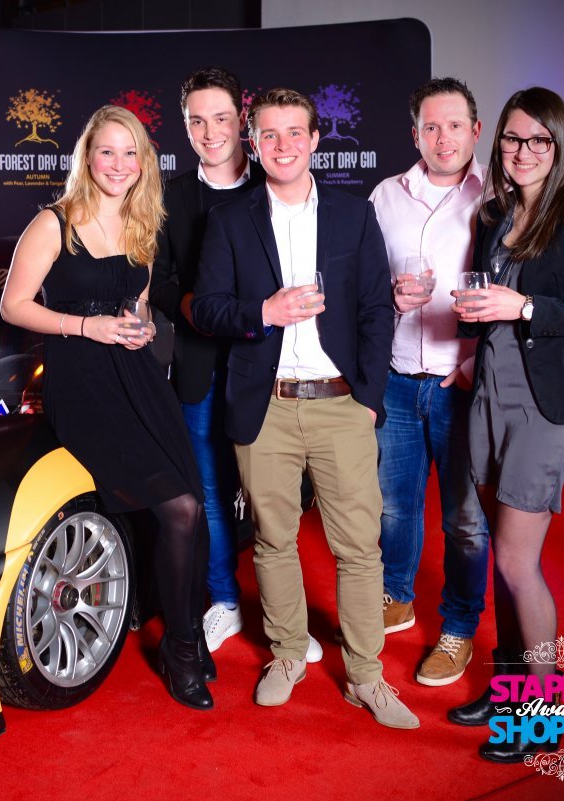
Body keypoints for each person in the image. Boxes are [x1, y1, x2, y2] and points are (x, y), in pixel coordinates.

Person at [192, 88, 417, 728]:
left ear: (316, 140)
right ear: (254, 143)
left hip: (340, 402)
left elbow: (375, 310)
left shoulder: (353, 214)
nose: (283, 145)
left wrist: (367, 399)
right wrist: (262, 312)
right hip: (264, 406)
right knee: (272, 539)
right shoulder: (230, 220)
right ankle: (288, 654)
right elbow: (206, 307)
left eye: (295, 132)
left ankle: (366, 676)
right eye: (269, 134)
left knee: (359, 547)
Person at [1, 105, 213, 711]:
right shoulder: (54, 223)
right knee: (179, 508)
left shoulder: (143, 220)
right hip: (82, 381)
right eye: (107, 152)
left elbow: (137, 302)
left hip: (137, 375)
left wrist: (140, 326)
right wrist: (86, 327)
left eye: (130, 153)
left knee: (194, 505)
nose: (119, 164)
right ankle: (180, 650)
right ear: (87, 158)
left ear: (143, 161)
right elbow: (14, 305)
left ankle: (188, 632)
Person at [445, 87, 564, 761]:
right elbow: (488, 303)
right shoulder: (495, 214)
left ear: (559, 145)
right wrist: (473, 321)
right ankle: (510, 692)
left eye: (538, 141)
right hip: (491, 392)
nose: (522, 152)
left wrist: (524, 306)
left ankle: (541, 717)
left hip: (546, 402)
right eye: (512, 139)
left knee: (517, 560)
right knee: (502, 552)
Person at [150, 67, 325, 662]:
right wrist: (194, 310)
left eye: (221, 118)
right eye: (196, 121)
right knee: (209, 493)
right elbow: (161, 281)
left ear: (242, 122)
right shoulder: (170, 197)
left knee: (275, 497)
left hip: (272, 365)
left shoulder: (278, 181)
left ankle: (287, 619)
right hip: (201, 366)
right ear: (185, 127)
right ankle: (224, 599)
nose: (210, 132)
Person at [367, 77, 490, 687]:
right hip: (396, 376)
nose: (444, 138)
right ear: (415, 134)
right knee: (394, 506)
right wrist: (390, 297)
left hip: (461, 383)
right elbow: (363, 286)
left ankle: (459, 626)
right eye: (431, 127)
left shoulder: (498, 199)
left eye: (455, 125)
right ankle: (396, 595)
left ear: (476, 130)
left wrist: (473, 364)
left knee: (465, 520)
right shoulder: (385, 196)